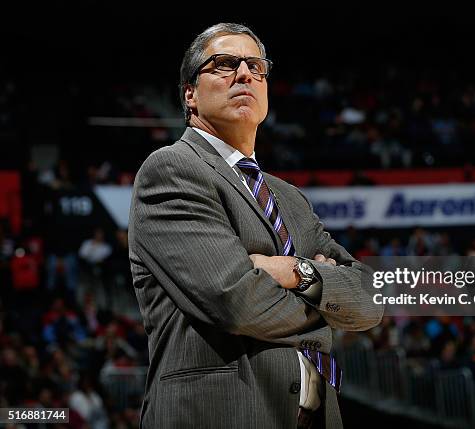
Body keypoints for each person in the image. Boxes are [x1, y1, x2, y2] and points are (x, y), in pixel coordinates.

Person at [128, 22, 383, 429]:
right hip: (223, 415)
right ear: (190, 93)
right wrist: (331, 306)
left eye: (255, 66)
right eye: (224, 64)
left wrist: (296, 272)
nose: (244, 74)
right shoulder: (172, 168)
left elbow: (370, 300)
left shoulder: (290, 198)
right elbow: (236, 300)